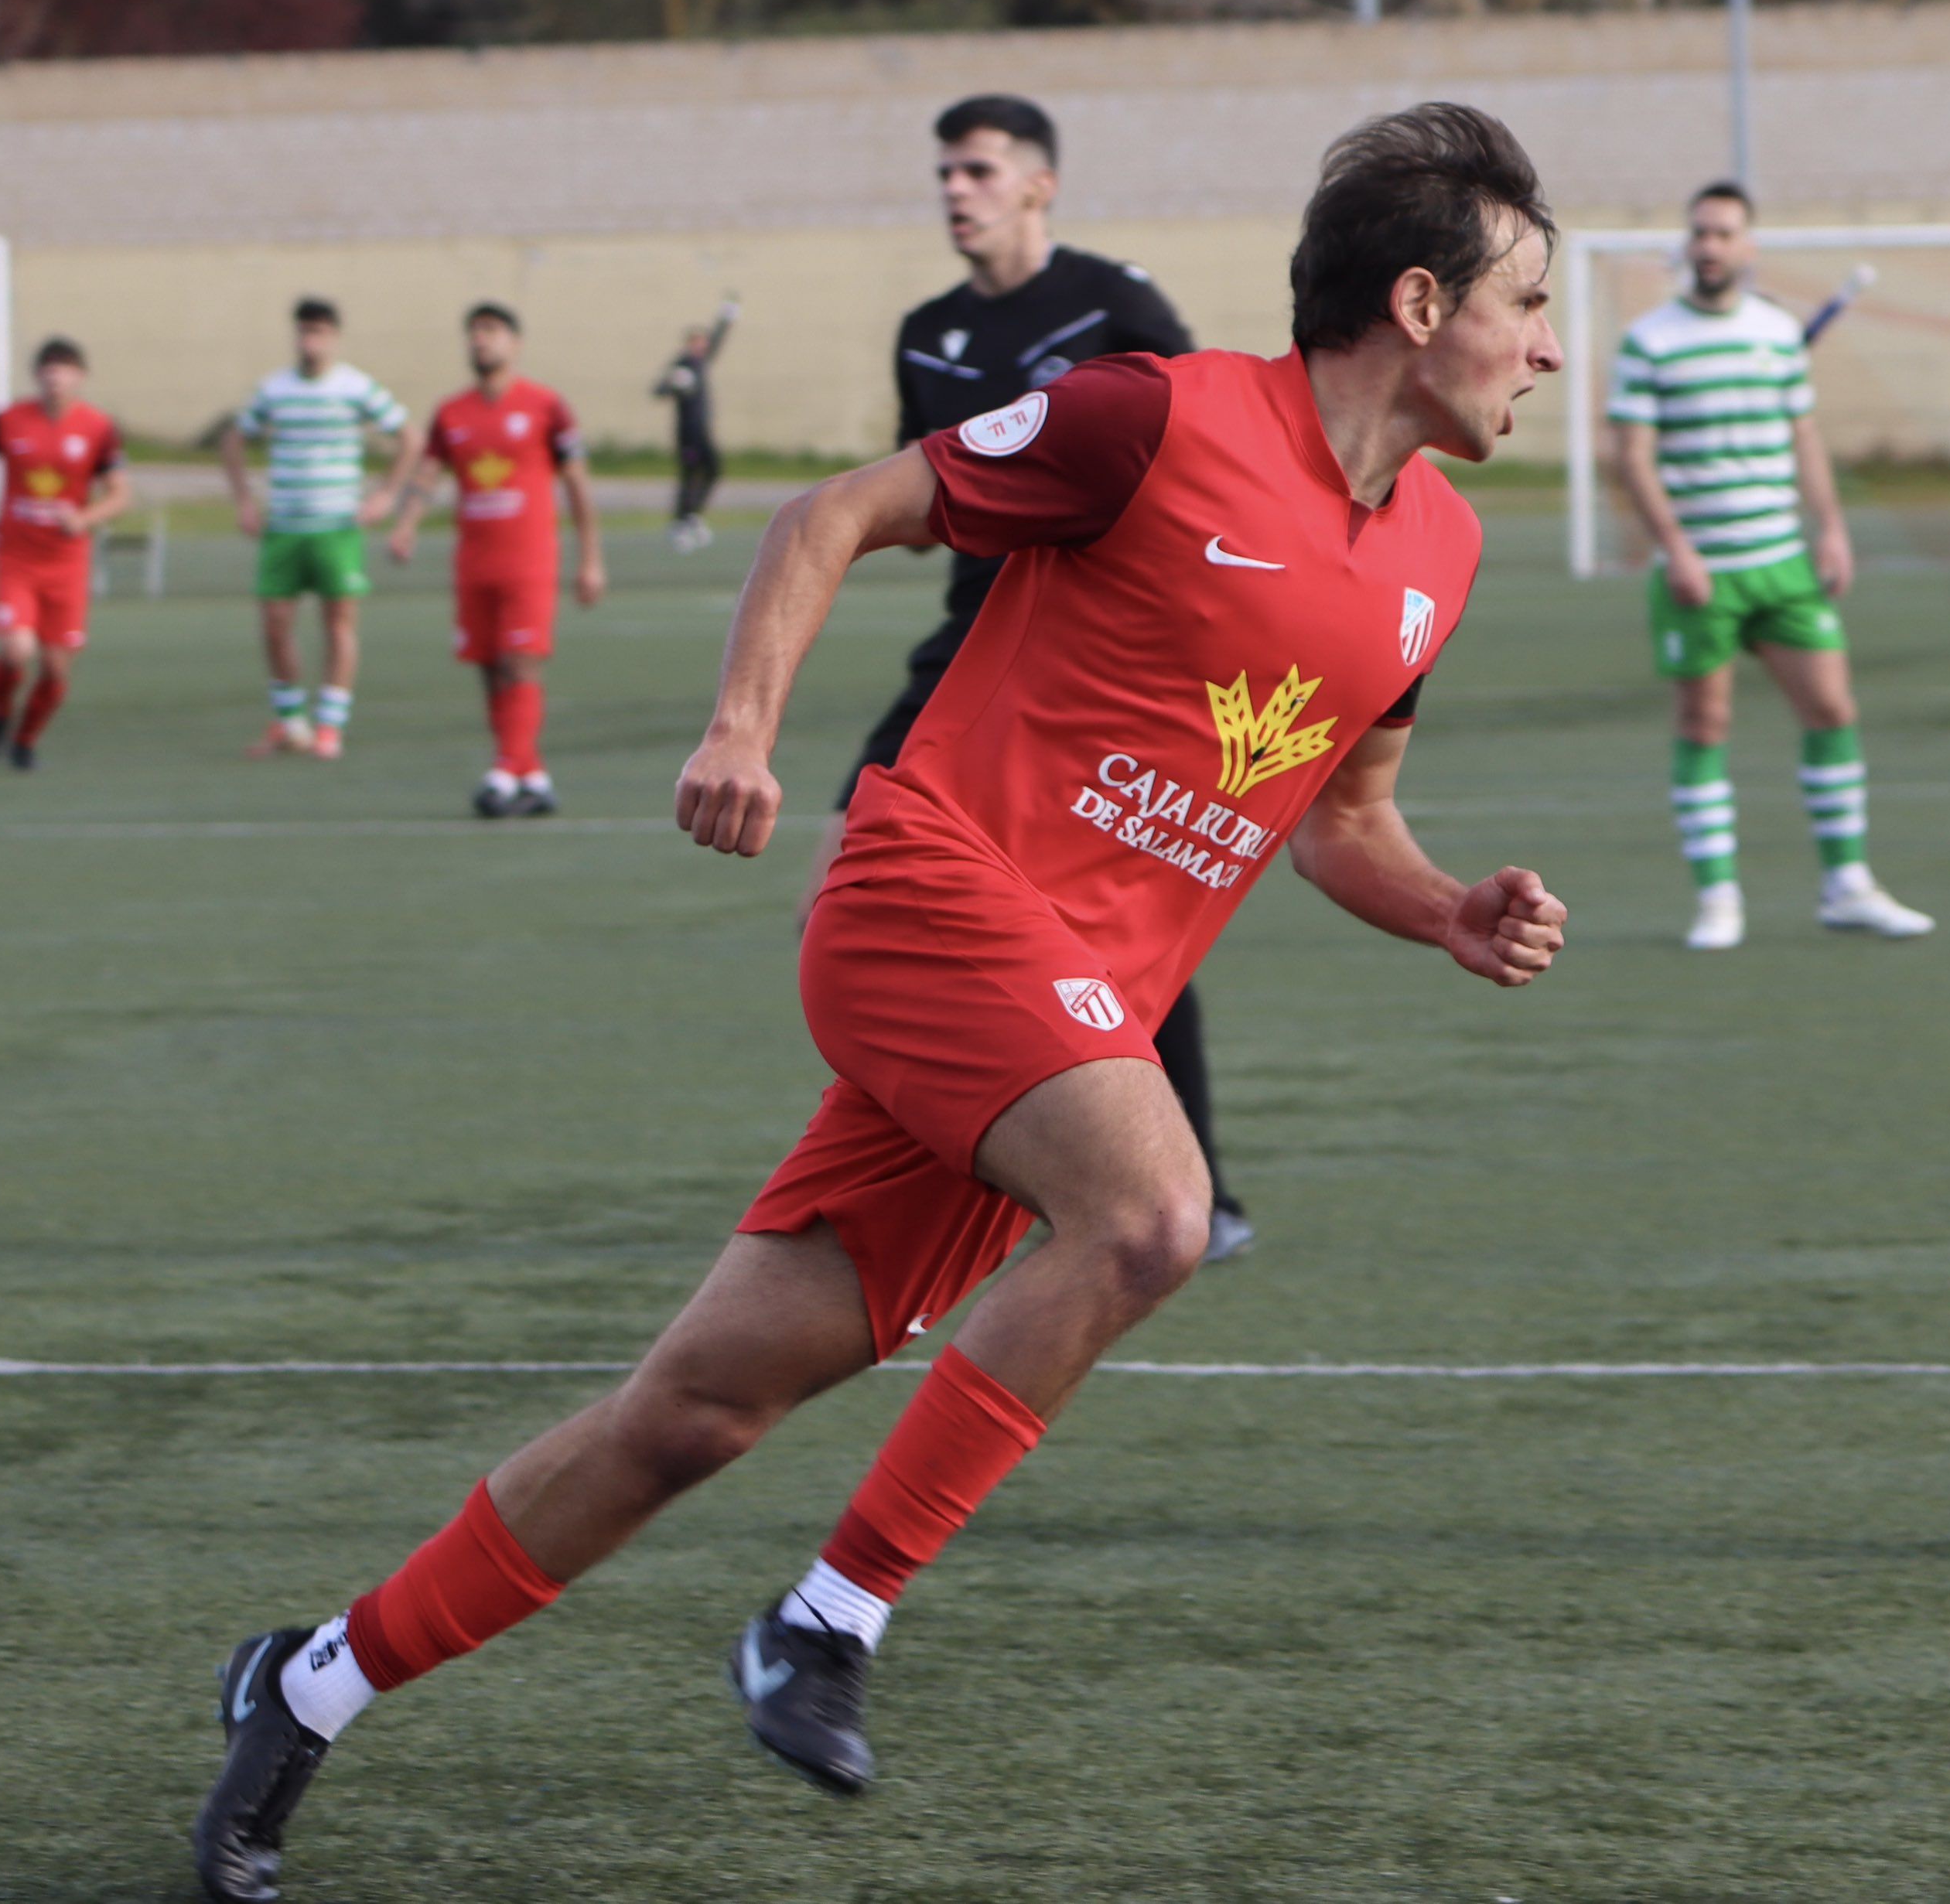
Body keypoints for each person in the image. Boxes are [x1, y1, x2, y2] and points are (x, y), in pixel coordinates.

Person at [190, 102, 1570, 1902]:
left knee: (690, 1416)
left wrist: (1446, 907)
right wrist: (740, 730)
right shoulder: (1151, 416)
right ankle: (825, 1621)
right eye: (1528, 303)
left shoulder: (1441, 554)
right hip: (928, 899)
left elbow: (1341, 824)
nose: (1547, 349)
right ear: (1416, 302)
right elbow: (837, 510)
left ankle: (305, 1683)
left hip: (1056, 1026)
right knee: (1154, 1213)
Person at [827, 92, 1256, 1259]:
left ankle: (1194, 1187)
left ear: (1038, 184)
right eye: (945, 173)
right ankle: (933, 1167)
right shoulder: (927, 330)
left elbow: (1211, 456)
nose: (955, 191)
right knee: (858, 868)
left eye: (977, 170)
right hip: (972, 642)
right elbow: (935, 499)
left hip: (1098, 658)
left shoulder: (1115, 305)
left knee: (1105, 933)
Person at [1606, 179, 1934, 951]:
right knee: (1705, 723)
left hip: (1781, 562)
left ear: (1748, 247)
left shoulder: (1778, 334)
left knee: (1832, 710)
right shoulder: (1650, 341)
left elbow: (1803, 437)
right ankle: (1718, 898)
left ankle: (1848, 885)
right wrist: (1676, 548)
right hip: (1701, 571)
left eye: (1724, 233)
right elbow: (1632, 457)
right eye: (1700, 233)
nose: (1709, 246)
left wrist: (1832, 530)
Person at [387, 304, 607, 817]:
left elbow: (577, 483)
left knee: (520, 660)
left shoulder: (546, 406)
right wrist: (406, 524)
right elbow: (428, 473)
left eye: (491, 331)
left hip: (529, 561)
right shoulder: (451, 413)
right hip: (474, 563)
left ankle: (504, 770)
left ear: (515, 342)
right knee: (488, 666)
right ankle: (531, 776)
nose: (480, 340)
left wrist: (591, 559)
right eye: (474, 332)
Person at [223, 299, 421, 759]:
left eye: (319, 332)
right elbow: (234, 439)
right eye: (304, 331)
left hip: (337, 527)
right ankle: (291, 722)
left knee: (339, 622)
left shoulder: (355, 387)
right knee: (275, 623)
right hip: (285, 526)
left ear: (334, 337)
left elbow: (410, 437)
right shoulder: (275, 388)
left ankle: (330, 725)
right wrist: (244, 500)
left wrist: (386, 494)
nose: (310, 341)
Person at [0, 336, 127, 771]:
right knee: (17, 651)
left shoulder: (98, 428)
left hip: (67, 566)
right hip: (16, 559)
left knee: (56, 670)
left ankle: (26, 740)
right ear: (36, 376)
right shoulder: (9, 420)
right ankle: (0, 713)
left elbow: (120, 495)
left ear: (80, 377)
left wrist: (84, 518)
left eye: (64, 369)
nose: (55, 377)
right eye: (48, 369)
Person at [657, 297, 739, 554]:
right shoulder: (682, 364)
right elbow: (658, 391)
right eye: (697, 342)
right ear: (689, 344)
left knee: (714, 470)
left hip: (703, 432)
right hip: (688, 434)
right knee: (690, 475)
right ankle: (681, 523)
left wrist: (726, 318)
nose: (702, 346)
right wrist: (674, 383)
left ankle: (692, 516)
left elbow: (716, 341)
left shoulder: (701, 363)